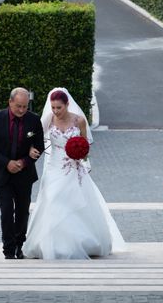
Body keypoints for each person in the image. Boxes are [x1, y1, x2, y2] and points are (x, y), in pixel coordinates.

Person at [22, 87, 127, 259]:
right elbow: (33, 135)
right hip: (55, 166)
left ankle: (81, 242)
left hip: (74, 167)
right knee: (53, 199)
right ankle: (52, 244)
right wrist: (31, 145)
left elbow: (85, 145)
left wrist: (80, 152)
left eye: (59, 108)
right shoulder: (48, 119)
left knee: (77, 201)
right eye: (53, 107)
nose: (56, 111)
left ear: (67, 104)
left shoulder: (79, 121)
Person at [0, 87, 45, 259]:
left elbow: (39, 146)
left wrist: (24, 161)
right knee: (6, 210)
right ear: (10, 102)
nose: (21, 110)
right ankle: (8, 250)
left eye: (25, 106)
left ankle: (20, 245)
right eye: (18, 106)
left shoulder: (34, 120)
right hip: (1, 175)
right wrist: (7, 163)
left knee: (22, 211)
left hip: (24, 175)